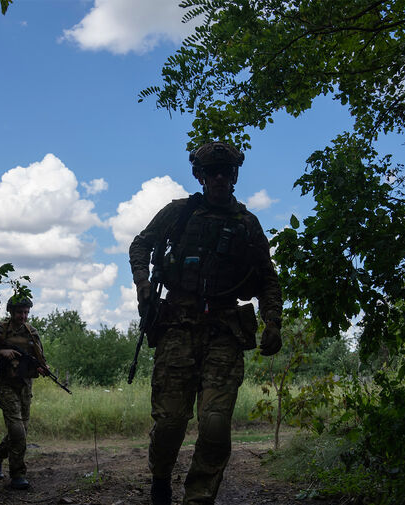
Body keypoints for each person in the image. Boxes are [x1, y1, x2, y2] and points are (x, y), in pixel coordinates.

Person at [129, 141, 283, 505]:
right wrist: (143, 283)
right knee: (169, 423)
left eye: (226, 172)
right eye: (211, 172)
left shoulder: (247, 224)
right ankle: (161, 475)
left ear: (234, 176)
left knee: (215, 426)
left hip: (224, 332)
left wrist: (272, 320)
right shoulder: (178, 213)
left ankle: (198, 498)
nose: (218, 178)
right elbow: (140, 245)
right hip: (177, 329)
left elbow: (267, 277)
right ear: (200, 176)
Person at [0, 294, 48, 490]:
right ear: (11, 311)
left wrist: (42, 368)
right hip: (6, 385)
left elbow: (39, 358)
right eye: (20, 312)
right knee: (17, 430)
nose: (23, 316)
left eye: (26, 312)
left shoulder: (31, 332)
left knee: (21, 431)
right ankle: (18, 475)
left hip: (25, 387)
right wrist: (1, 352)